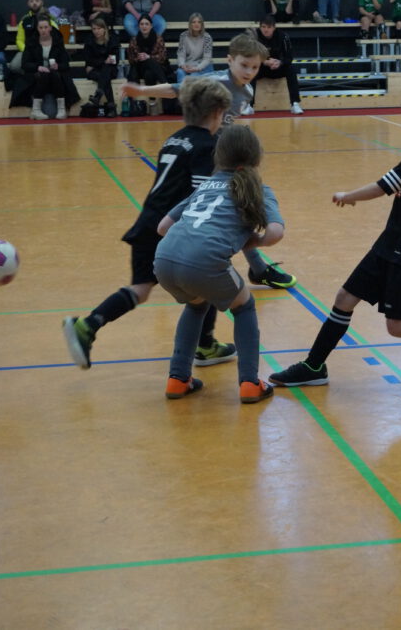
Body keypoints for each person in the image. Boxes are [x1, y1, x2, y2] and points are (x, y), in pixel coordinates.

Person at [269, 86, 401, 388]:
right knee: (345, 299)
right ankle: (314, 366)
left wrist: (348, 196)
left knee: (397, 326)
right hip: (390, 244)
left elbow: (383, 187)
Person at [63, 77, 246, 372]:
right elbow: (201, 193)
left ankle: (88, 325)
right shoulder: (207, 146)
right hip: (170, 226)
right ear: (216, 113)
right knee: (208, 275)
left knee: (140, 289)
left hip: (147, 221)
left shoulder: (174, 139)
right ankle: (204, 344)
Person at [122, 34, 298, 289]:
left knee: (239, 207)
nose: (249, 72)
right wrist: (141, 91)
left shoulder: (247, 91)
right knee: (185, 211)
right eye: (244, 65)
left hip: (221, 160)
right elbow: (175, 88)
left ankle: (256, 268)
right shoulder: (214, 82)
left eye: (255, 67)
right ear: (230, 60)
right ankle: (175, 260)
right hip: (198, 157)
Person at [154, 123, 277, 403]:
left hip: (164, 258)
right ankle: (250, 383)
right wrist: (252, 242)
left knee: (196, 305)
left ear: (218, 156)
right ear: (257, 156)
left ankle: (177, 379)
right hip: (203, 261)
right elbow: (275, 233)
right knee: (244, 307)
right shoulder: (258, 189)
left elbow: (162, 227)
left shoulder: (204, 186)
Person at [17, 17, 76, 120]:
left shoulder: (58, 42)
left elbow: (66, 64)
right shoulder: (31, 42)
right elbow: (25, 64)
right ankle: (35, 110)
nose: (43, 30)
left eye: (45, 27)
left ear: (50, 28)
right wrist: (38, 67)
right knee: (43, 75)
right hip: (36, 75)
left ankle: (62, 109)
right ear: (37, 29)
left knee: (55, 74)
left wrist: (57, 66)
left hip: (55, 75)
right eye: (40, 28)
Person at [251, 15, 303, 115]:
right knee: (250, 70)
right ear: (260, 27)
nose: (266, 30)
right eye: (263, 27)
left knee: (291, 69)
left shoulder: (283, 36)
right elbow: (249, 56)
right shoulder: (254, 37)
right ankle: (249, 105)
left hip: (278, 68)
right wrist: (264, 62)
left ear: (274, 27)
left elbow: (289, 57)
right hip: (261, 68)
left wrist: (280, 62)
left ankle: (295, 103)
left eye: (269, 27)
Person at [127, 13, 169, 112]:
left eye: (146, 24)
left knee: (149, 72)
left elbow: (162, 57)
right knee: (145, 63)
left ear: (151, 26)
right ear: (138, 26)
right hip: (139, 67)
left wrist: (149, 57)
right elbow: (130, 58)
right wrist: (139, 57)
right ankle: (165, 84)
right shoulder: (134, 40)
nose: (144, 26)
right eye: (142, 24)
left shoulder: (158, 38)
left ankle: (152, 102)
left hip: (156, 68)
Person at [9, 0, 58, 75]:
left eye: (37, 1)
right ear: (28, 4)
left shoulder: (50, 19)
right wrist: (27, 51)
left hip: (46, 51)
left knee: (49, 66)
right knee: (14, 66)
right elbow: (19, 40)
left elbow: (57, 38)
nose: (34, 3)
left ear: (41, 2)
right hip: (27, 51)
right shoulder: (24, 20)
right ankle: (30, 77)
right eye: (31, 1)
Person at [83, 16, 120, 113]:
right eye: (94, 29)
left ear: (105, 29)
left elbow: (115, 60)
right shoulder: (89, 41)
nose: (96, 31)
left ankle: (98, 96)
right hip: (94, 71)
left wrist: (101, 63)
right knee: (105, 76)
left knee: (106, 69)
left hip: (109, 70)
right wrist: (104, 61)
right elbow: (88, 60)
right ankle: (112, 108)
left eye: (99, 28)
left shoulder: (112, 40)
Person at [176, 12, 215, 84]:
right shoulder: (183, 36)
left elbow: (207, 59)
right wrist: (183, 65)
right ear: (190, 24)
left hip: (203, 66)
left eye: (199, 22)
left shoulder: (207, 37)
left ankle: (189, 91)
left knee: (193, 76)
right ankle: (182, 91)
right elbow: (181, 55)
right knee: (180, 72)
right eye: (194, 22)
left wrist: (197, 68)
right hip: (188, 65)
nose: (196, 24)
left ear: (202, 24)